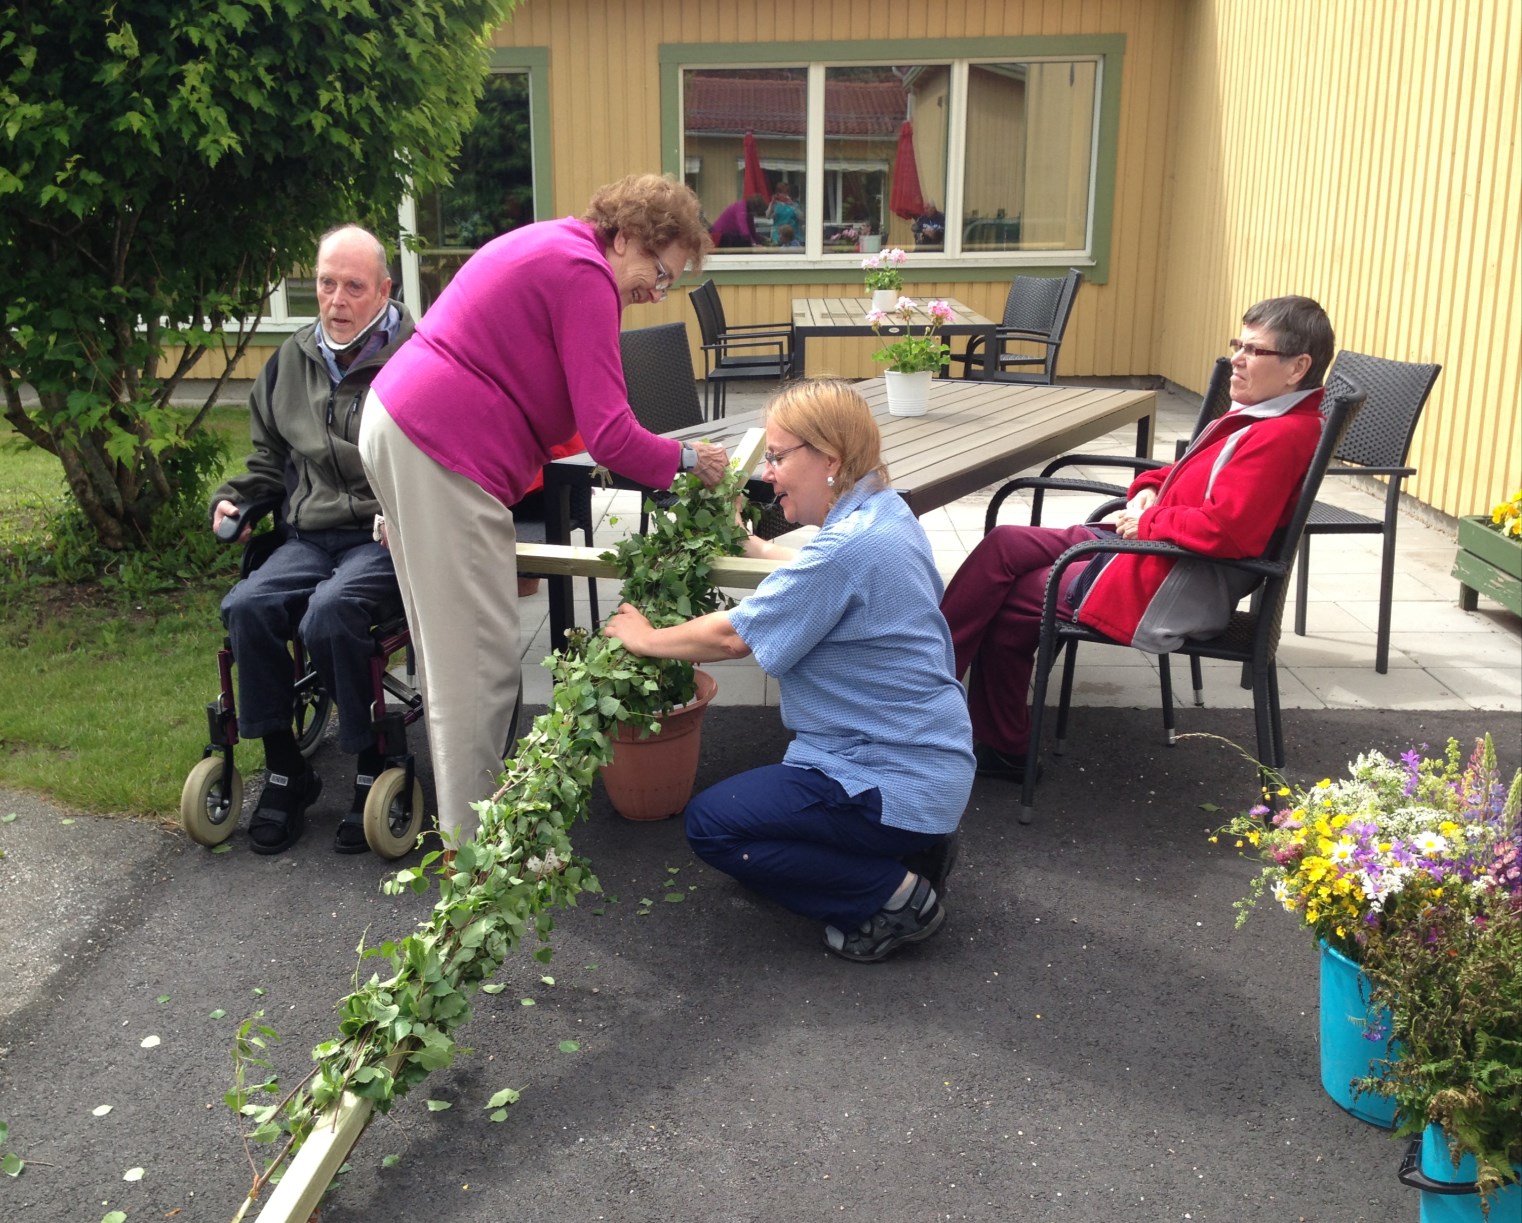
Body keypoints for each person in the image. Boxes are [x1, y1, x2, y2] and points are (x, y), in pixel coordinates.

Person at [360, 173, 729, 849]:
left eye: (671, 280)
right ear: (624, 239)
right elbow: (612, 432)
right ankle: (477, 858)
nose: (657, 290)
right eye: (658, 270)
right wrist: (685, 462)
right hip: (440, 443)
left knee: (452, 660)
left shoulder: (565, 252)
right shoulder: (585, 275)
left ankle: (472, 831)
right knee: (477, 667)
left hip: (406, 424)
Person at [604, 380, 974, 963]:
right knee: (768, 817)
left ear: (828, 458)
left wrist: (647, 638)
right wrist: (751, 546)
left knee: (713, 825)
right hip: (930, 762)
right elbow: (819, 560)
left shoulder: (847, 549)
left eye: (777, 457)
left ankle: (894, 896)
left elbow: (731, 637)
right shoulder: (884, 512)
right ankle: (913, 849)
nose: (767, 473)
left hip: (888, 774)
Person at [940, 295, 1336, 781]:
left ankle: (970, 729)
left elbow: (1227, 532)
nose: (1237, 358)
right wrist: (1147, 491)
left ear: (1298, 367)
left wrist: (1148, 523)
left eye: (1255, 350)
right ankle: (928, 691)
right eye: (1239, 344)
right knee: (1005, 544)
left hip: (1165, 580)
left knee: (1013, 599)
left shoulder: (1279, 436)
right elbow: (1182, 473)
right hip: (1150, 551)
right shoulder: (1262, 416)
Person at [212, 225, 414, 855]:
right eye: (326, 283)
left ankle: (368, 762)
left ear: (384, 289)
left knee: (331, 614)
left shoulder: (421, 357)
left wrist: (406, 511)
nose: (336, 300)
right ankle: (284, 769)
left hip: (385, 538)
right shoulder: (289, 363)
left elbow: (446, 455)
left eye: (354, 286)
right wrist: (239, 500)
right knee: (247, 605)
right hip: (308, 534)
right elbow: (269, 459)